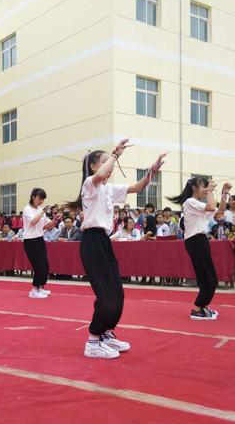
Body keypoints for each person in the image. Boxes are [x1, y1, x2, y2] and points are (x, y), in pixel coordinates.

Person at [66, 140, 167, 358]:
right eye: (103, 162)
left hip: (104, 240)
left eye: (108, 162)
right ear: (93, 166)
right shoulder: (89, 185)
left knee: (118, 293)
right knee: (105, 294)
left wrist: (153, 169)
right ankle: (93, 341)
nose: (109, 166)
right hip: (91, 242)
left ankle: (107, 334)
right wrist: (115, 155)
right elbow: (101, 175)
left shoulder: (109, 189)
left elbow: (138, 187)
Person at [168, 177, 231, 320]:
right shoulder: (190, 202)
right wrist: (210, 191)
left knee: (209, 276)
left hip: (201, 240)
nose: (206, 190)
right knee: (207, 276)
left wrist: (224, 193)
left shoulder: (197, 204)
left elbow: (219, 212)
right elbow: (210, 207)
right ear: (194, 188)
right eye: (204, 187)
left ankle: (203, 306)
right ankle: (197, 308)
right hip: (195, 241)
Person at [23, 188, 63, 299]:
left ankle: (40, 287)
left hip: (40, 238)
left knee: (45, 264)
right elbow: (33, 222)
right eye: (40, 199)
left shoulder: (40, 210)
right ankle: (34, 290)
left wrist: (54, 220)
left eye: (43, 200)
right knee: (38, 265)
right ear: (33, 197)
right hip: (30, 240)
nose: (41, 201)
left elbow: (46, 226)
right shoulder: (27, 209)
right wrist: (43, 212)